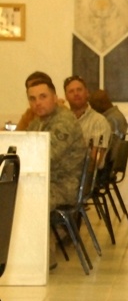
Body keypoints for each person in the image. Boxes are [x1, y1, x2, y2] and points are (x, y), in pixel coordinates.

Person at [25, 75, 86, 270]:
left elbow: (44, 156)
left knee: (26, 197)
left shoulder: (63, 121)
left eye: (42, 97)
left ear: (54, 97)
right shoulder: (38, 122)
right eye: (32, 99)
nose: (37, 103)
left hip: (64, 186)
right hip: (46, 182)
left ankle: (43, 255)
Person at [63, 75, 111, 148]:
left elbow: (97, 157)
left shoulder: (99, 122)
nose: (76, 94)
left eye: (79, 90)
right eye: (71, 91)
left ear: (87, 93)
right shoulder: (62, 121)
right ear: (66, 96)